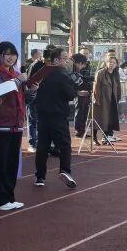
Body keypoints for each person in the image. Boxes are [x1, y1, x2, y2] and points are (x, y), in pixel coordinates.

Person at [0, 41, 30, 211]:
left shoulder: (16, 75)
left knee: (11, 164)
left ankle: (9, 197)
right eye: (7, 54)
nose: (11, 58)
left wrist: (33, 89)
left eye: (14, 54)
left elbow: (27, 99)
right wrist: (18, 80)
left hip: (16, 125)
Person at [28, 46, 78, 189]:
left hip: (43, 115)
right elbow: (71, 95)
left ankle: (39, 177)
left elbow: (31, 87)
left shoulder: (41, 73)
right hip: (58, 115)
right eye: (64, 58)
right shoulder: (63, 75)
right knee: (65, 145)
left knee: (42, 146)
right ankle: (65, 170)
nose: (67, 61)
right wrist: (74, 87)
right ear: (56, 60)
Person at [92, 54, 122, 143]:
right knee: (98, 119)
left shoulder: (116, 73)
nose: (111, 64)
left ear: (116, 64)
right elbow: (96, 87)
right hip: (102, 99)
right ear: (106, 62)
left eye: (113, 62)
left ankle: (106, 137)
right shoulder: (100, 73)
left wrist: (118, 97)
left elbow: (118, 86)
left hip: (112, 99)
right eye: (109, 62)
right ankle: (94, 138)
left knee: (108, 119)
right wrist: (97, 99)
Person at [24, 48, 43, 153]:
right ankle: (32, 143)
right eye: (39, 53)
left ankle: (39, 143)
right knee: (32, 120)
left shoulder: (45, 66)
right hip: (32, 97)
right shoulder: (32, 65)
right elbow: (28, 81)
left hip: (41, 98)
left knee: (39, 121)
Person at [73, 53, 95, 138]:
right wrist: (77, 92)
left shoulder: (88, 66)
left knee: (84, 112)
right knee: (79, 111)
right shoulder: (72, 69)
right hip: (79, 93)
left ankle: (82, 130)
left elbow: (84, 78)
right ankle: (78, 130)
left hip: (85, 92)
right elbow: (79, 80)